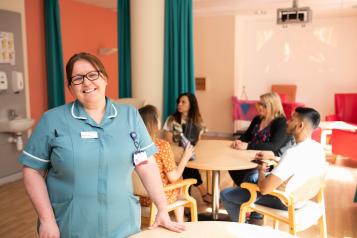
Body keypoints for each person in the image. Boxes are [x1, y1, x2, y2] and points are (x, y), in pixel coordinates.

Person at [19, 52, 185, 238]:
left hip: (123, 223)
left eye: (93, 75)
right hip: (70, 224)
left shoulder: (130, 116)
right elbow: (32, 171)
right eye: (78, 78)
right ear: (70, 87)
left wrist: (162, 208)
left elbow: (146, 164)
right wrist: (47, 220)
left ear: (105, 78)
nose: (87, 83)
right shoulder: (53, 120)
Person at [221, 107, 326, 223]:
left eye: (291, 119)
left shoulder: (292, 154)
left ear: (300, 126)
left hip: (285, 201)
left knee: (226, 194)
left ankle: (245, 228)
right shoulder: (317, 148)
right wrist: (274, 158)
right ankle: (255, 218)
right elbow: (299, 166)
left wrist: (261, 171)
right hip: (303, 199)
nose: (287, 121)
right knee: (251, 178)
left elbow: (264, 189)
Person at [138, 105, 194, 223]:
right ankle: (180, 223)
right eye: (158, 118)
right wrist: (186, 157)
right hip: (158, 197)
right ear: (154, 123)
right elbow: (173, 177)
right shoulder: (162, 145)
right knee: (179, 181)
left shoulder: (132, 145)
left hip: (139, 197)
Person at [229, 92, 293, 186]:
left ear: (272, 106)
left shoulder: (281, 123)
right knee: (232, 165)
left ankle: (246, 191)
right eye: (259, 104)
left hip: (268, 162)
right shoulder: (258, 119)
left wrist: (248, 145)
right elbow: (247, 135)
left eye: (263, 105)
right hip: (251, 155)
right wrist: (240, 140)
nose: (259, 107)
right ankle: (244, 190)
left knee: (243, 172)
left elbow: (273, 146)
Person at [163, 92, 211, 203]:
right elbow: (168, 142)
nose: (179, 104)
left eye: (183, 102)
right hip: (175, 155)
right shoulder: (171, 120)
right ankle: (203, 193)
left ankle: (186, 199)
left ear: (191, 105)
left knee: (188, 166)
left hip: (189, 155)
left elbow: (198, 142)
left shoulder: (198, 121)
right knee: (188, 167)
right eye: (179, 102)